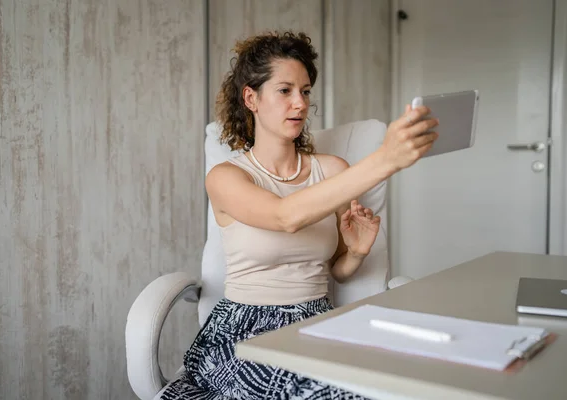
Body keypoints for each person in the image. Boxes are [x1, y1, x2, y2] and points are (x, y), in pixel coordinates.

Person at [160, 31, 438, 400]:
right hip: (244, 330)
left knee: (394, 383)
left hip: (317, 322)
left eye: (305, 91)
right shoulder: (227, 177)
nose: (300, 104)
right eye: (285, 90)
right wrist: (385, 160)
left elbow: (335, 270)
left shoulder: (333, 171)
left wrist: (354, 253)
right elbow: (284, 217)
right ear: (251, 98)